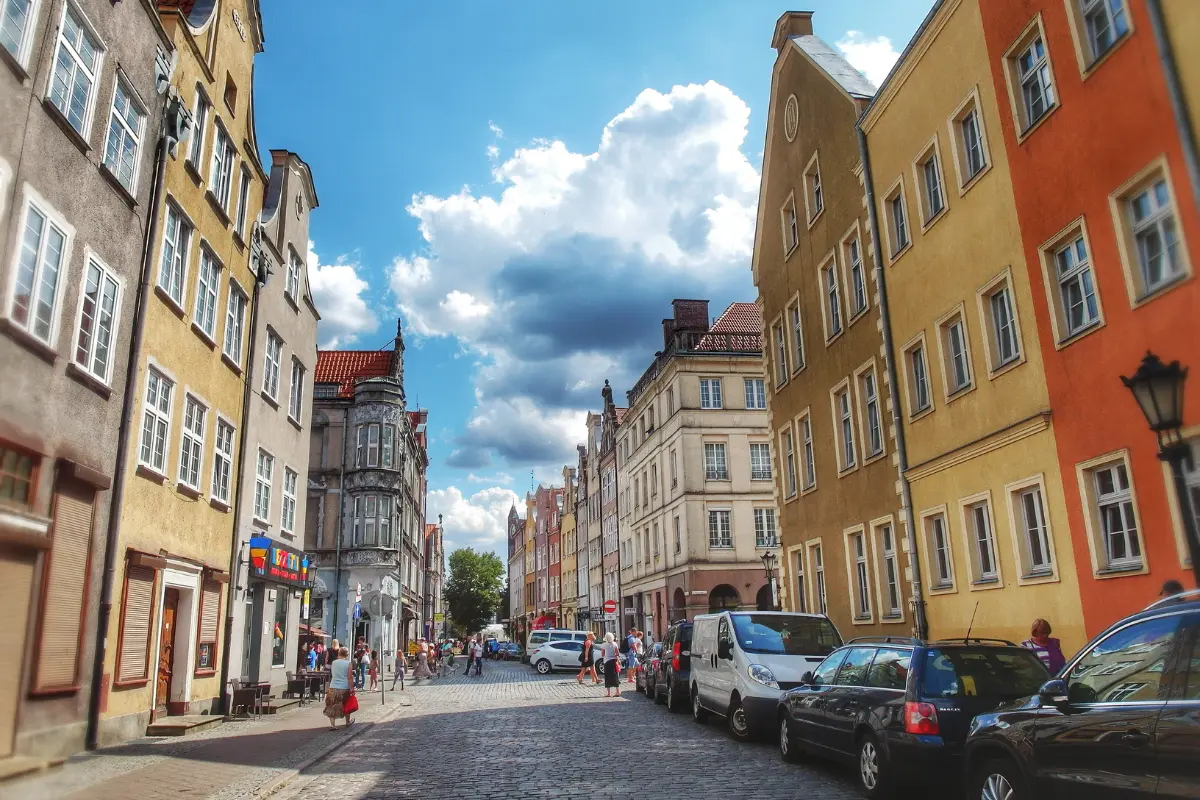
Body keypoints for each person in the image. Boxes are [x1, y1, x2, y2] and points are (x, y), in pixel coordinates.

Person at [324, 647, 355, 730]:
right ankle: (347, 722)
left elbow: (333, 673)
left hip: (333, 686)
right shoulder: (348, 664)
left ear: (339, 653)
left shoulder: (334, 662)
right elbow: (350, 677)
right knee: (346, 704)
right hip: (344, 687)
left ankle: (332, 725)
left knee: (331, 705)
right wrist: (352, 688)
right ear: (347, 655)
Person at [600, 632, 621, 697]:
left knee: (607, 677)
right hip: (613, 661)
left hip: (607, 661)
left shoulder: (604, 645)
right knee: (615, 676)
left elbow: (602, 654)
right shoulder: (615, 644)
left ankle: (609, 693)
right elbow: (617, 653)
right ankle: (617, 691)